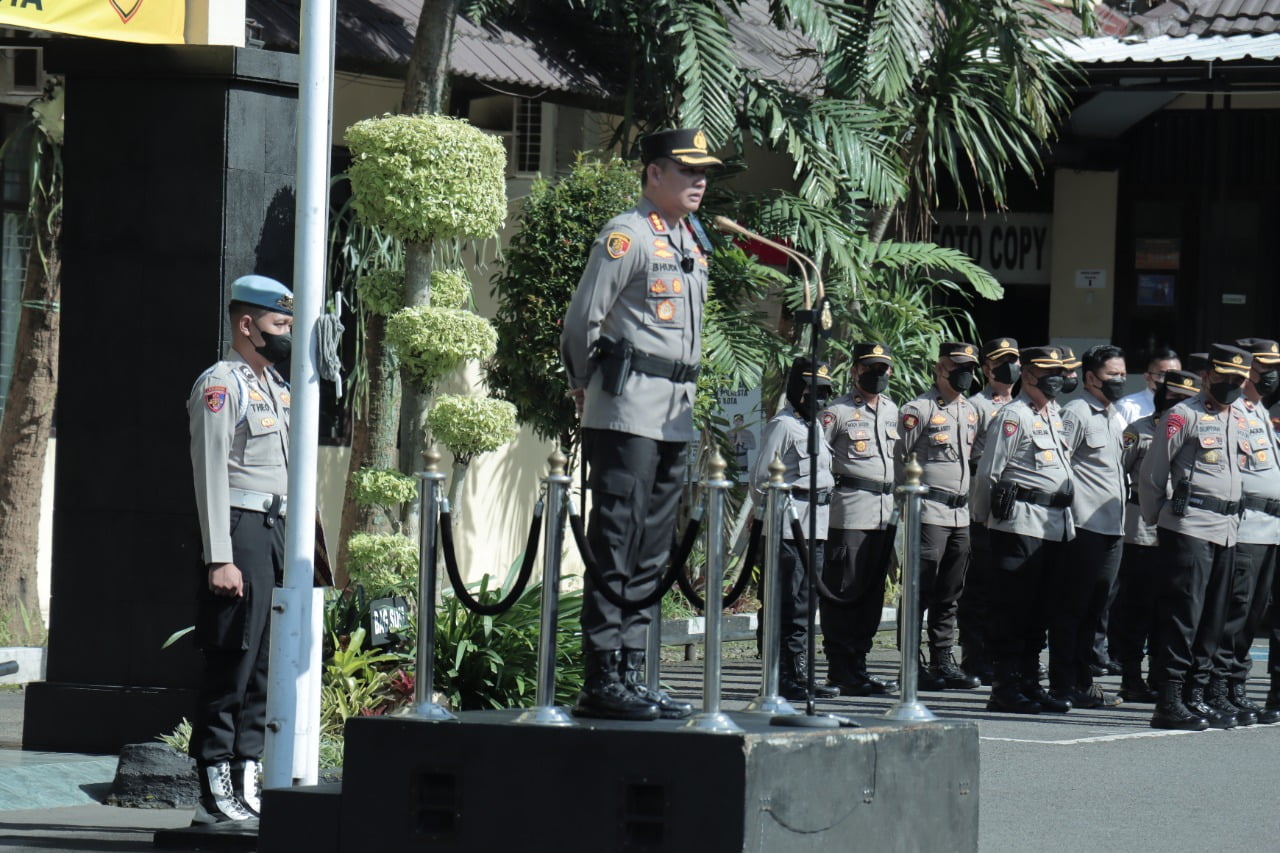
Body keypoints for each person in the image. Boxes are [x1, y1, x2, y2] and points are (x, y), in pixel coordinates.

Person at [559, 128, 721, 721]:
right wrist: (584, 383)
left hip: (674, 414)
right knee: (617, 542)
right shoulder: (627, 235)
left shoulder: (692, 238)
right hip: (626, 410)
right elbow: (583, 320)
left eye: (703, 173)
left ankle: (635, 669)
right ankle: (603, 673)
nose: (699, 181)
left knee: (653, 549)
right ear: (654, 174)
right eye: (686, 171)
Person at [187, 274, 294, 823]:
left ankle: (246, 774)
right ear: (247, 324)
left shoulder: (274, 384)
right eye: (279, 324)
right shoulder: (221, 384)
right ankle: (214, 784)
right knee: (234, 658)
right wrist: (219, 556)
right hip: (241, 530)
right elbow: (210, 475)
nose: (285, 334)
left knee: (264, 665)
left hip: (274, 532)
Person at [1139, 343, 1252, 731]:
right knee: (1183, 616)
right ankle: (1169, 699)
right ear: (1206, 377)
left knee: (1213, 619)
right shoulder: (1181, 415)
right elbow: (1153, 473)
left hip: (1227, 530)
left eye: (1239, 380)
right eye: (1224, 378)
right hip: (1189, 526)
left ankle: (1197, 695)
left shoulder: (1240, 417)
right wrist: (1158, 519)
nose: (1232, 385)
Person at [971, 346, 1074, 715]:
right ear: (1028, 376)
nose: (1057, 378)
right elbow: (989, 472)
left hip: (1054, 525)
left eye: (1059, 371)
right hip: (1019, 523)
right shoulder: (1012, 416)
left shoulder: (1055, 415)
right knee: (1013, 609)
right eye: (1048, 372)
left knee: (1040, 612)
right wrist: (982, 517)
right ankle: (1005, 686)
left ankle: (1030, 683)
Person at [750, 359, 839, 701]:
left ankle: (799, 671)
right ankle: (780, 673)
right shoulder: (783, 426)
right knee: (785, 601)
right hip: (788, 527)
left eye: (825, 393)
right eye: (813, 391)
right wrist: (771, 514)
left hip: (816, 525)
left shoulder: (814, 427)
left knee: (806, 602)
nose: (819, 399)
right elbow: (760, 479)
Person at [895, 342, 982, 691]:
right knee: (920, 587)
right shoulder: (919, 409)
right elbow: (897, 458)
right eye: (959, 366)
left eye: (971, 367)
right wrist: (904, 505)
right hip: (928, 510)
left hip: (960, 513)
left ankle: (942, 659)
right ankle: (909, 661)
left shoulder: (970, 411)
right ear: (941, 367)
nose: (966, 373)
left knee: (950, 591)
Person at [1112, 370, 1201, 703]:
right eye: (1173, 396)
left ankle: (1160, 675)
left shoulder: (1194, 428)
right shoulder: (1139, 431)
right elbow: (1116, 474)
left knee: (1169, 610)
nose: (1179, 403)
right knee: (1137, 607)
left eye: (1185, 398)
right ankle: (1130, 677)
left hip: (1180, 527)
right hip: (1142, 529)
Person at [818, 342, 900, 696]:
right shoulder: (835, 413)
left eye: (882, 369)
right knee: (844, 591)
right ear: (854, 372)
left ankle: (860, 666)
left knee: (871, 594)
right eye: (869, 369)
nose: (876, 375)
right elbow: (817, 461)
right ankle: (839, 667)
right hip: (848, 512)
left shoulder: (893, 411)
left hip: (883, 516)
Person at [1055, 345, 1127, 709]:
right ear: (1090, 378)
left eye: (1122, 374)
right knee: (1074, 608)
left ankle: (1083, 681)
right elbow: (1059, 464)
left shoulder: (1111, 415)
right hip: (1084, 527)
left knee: (1096, 610)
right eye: (1112, 374)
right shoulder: (1077, 412)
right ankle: (1066, 682)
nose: (1119, 380)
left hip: (1112, 528)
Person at [1214, 338, 1280, 725]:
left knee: (1255, 614)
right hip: (1246, 526)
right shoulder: (1232, 411)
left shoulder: (1257, 412)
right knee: (1235, 611)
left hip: (1270, 528)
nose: (1270, 375)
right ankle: (1219, 686)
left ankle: (1236, 686)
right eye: (1264, 368)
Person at [960, 337, 1020, 684]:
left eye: (1013, 360)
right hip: (984, 503)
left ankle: (1002, 653)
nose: (1008, 367)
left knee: (1008, 586)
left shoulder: (1026, 404)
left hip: (1015, 509)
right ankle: (975, 653)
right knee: (980, 584)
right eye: (1001, 361)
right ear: (987, 368)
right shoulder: (975, 406)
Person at [1114, 349, 1181, 426]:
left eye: (1176, 375)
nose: (1170, 380)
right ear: (1147, 377)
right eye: (1162, 375)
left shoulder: (1186, 407)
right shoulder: (1127, 407)